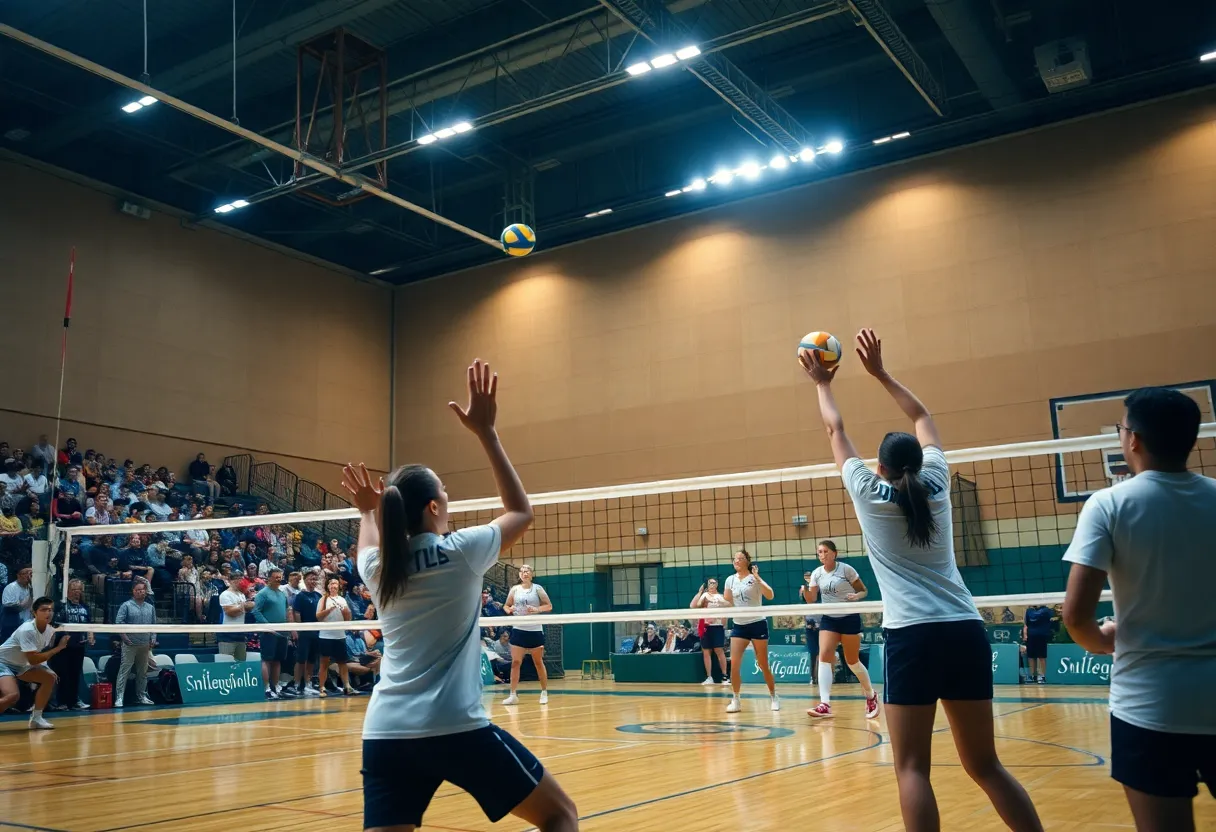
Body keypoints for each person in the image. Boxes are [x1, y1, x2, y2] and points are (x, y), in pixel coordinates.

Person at [802, 328, 1041, 832]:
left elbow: (834, 431)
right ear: (915, 462)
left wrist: (822, 382)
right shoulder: (937, 481)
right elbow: (922, 417)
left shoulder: (867, 491)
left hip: (911, 636)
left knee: (912, 768)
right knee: (986, 766)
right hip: (964, 629)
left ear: (882, 467)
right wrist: (880, 372)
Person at [339, 359, 577, 832]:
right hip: (456, 728)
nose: (449, 498)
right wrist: (486, 432)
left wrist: (367, 510)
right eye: (445, 492)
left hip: (385, 731)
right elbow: (520, 511)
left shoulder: (377, 567)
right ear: (433, 507)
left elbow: (368, 539)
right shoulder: (462, 551)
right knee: (560, 815)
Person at [1061, 387, 1215, 832]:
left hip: (1150, 707)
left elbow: (1075, 616)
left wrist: (1103, 641)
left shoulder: (1109, 504)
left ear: (1133, 440)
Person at [803, 539, 879, 720]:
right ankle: (825, 704)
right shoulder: (816, 574)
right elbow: (811, 599)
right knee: (824, 656)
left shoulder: (846, 570)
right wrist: (805, 591)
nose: (822, 555)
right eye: (819, 552)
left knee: (852, 661)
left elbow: (864, 590)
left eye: (825, 551)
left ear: (834, 553)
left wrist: (856, 596)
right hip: (829, 618)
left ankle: (870, 695)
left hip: (849, 617)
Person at [723, 550, 779, 713]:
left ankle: (773, 696)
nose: (737, 561)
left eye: (740, 558)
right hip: (739, 626)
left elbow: (770, 595)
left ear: (747, 561)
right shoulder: (730, 580)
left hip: (757, 623)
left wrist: (758, 578)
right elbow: (727, 600)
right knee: (734, 664)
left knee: (763, 664)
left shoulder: (753, 578)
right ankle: (736, 699)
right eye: (735, 558)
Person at [0, 596, 66, 729]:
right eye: (44, 610)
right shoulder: (27, 630)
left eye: (51, 610)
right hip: (3, 662)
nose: (48, 613)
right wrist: (58, 649)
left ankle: (36, 718)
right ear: (34, 612)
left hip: (20, 665)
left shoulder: (49, 630)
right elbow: (34, 659)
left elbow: (38, 653)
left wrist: (47, 669)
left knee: (49, 678)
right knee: (12, 695)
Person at [503, 563, 552, 706]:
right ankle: (513, 695)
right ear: (519, 574)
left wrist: (536, 609)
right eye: (522, 571)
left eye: (527, 571)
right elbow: (506, 606)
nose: (525, 573)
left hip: (535, 630)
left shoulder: (538, 589)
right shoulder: (515, 589)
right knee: (516, 663)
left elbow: (549, 606)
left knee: (538, 662)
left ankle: (544, 692)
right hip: (518, 629)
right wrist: (509, 610)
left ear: (531, 574)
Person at [113, 581, 158, 708]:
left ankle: (141, 696)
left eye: (142, 590)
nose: (140, 592)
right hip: (129, 645)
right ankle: (119, 697)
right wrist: (124, 637)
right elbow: (119, 623)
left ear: (145, 591)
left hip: (145, 645)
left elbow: (154, 625)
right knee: (124, 671)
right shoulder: (126, 605)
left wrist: (153, 637)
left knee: (142, 672)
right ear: (133, 591)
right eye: (137, 590)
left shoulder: (150, 607)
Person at [50, 579, 94, 710]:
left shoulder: (85, 607)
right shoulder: (61, 606)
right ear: (68, 590)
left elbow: (90, 624)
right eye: (74, 589)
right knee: (63, 674)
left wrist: (91, 635)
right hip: (62, 646)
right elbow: (54, 624)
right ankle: (62, 702)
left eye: (79, 590)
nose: (77, 592)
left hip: (79, 645)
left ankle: (74, 701)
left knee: (75, 673)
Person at [254, 567, 293, 699]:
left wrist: (288, 628)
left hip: (282, 633)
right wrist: (268, 626)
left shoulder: (282, 594)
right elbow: (256, 611)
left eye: (280, 577)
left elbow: (287, 611)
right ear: (269, 578)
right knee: (266, 660)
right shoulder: (262, 594)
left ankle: (275, 687)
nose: (279, 579)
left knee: (277, 661)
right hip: (268, 633)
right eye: (276, 577)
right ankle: (266, 689)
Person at [317, 577, 356, 697]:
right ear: (328, 586)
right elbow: (318, 616)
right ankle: (322, 688)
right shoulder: (323, 599)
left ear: (339, 587)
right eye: (331, 583)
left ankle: (347, 686)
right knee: (324, 662)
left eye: (336, 584)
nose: (333, 586)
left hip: (340, 636)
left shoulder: (343, 600)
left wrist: (347, 612)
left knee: (342, 662)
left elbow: (347, 619)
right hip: (325, 636)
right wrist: (330, 609)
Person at [290, 570, 323, 697]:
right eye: (310, 579)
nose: (313, 581)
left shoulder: (318, 596)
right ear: (305, 580)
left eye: (315, 579)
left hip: (316, 632)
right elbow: (296, 613)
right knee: (301, 659)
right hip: (304, 633)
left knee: (311, 660)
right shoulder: (300, 596)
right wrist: (300, 628)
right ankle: (297, 684)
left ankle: (308, 684)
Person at [691, 579, 729, 685]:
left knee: (719, 650)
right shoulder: (705, 595)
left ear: (717, 584)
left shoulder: (720, 596)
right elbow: (696, 605)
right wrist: (701, 595)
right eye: (710, 583)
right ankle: (709, 677)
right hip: (705, 627)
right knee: (706, 651)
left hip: (717, 626)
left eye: (713, 583)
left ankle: (725, 677)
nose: (711, 585)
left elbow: (728, 605)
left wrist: (720, 604)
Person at [218, 573, 252, 662]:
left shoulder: (241, 595)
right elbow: (230, 612)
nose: (241, 582)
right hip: (227, 634)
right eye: (238, 580)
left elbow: (245, 610)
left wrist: (248, 606)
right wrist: (244, 606)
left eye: (241, 580)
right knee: (226, 663)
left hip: (240, 633)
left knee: (241, 662)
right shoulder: (225, 595)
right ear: (231, 581)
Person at [1022, 604, 1054, 684]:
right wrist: (1025, 635)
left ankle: (1043, 676)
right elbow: (1026, 624)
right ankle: (1033, 676)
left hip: (1042, 636)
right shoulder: (1029, 611)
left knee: (1042, 656)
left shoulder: (1046, 611)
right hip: (1031, 636)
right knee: (1031, 657)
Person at [1, 565, 34, 642]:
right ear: (18, 575)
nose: (28, 576)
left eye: (31, 573)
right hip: (12, 628)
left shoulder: (29, 588)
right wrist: (31, 595)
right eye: (25, 573)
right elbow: (16, 608)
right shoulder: (11, 588)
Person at [799, 572, 820, 686]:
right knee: (813, 653)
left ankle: (824, 676)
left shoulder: (819, 591)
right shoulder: (804, 592)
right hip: (810, 628)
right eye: (806, 577)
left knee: (823, 653)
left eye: (809, 577)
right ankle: (813, 677)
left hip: (822, 627)